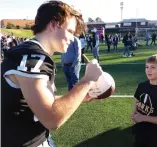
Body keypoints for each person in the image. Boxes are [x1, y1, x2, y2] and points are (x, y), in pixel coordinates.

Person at [1, 1, 103, 147]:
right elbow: (51, 119)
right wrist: (87, 80)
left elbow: (35, 101)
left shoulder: (30, 51)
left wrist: (78, 97)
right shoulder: (34, 58)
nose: (72, 38)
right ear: (54, 25)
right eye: (70, 31)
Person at [131, 54, 157, 147]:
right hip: (140, 132)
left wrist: (143, 118)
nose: (148, 70)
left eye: (153, 67)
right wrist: (134, 111)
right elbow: (137, 99)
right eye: (147, 67)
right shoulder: (142, 85)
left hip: (156, 137)